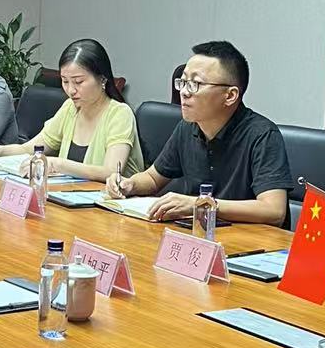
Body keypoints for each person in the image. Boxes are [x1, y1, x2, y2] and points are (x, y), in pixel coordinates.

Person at [106, 40, 289, 225]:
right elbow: (153, 178)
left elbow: (274, 211)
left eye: (196, 83)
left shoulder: (262, 135)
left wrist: (202, 204)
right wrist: (130, 184)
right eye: (183, 82)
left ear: (230, 96)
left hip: (247, 237)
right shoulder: (188, 127)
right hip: (196, 233)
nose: (184, 92)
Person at [0, 38, 143, 182]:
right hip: (72, 200)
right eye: (65, 81)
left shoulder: (120, 114)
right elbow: (32, 148)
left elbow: (111, 172)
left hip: (111, 207)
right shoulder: (70, 108)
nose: (71, 90)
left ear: (102, 79)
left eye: (79, 82)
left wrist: (57, 164)